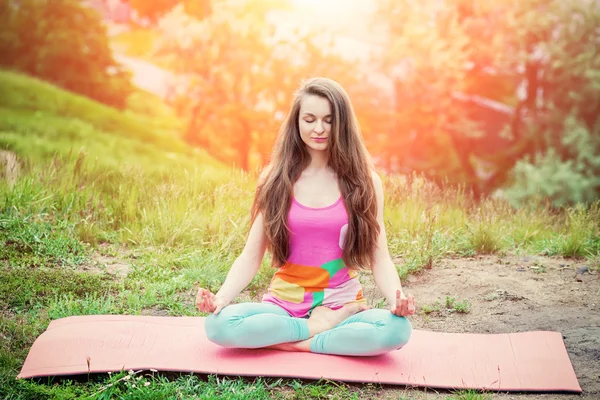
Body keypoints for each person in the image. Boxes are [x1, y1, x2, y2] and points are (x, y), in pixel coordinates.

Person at [196, 77, 416, 357]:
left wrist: (396, 298)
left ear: (342, 124)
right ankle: (316, 332)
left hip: (343, 307)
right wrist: (222, 298)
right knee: (219, 326)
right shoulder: (275, 179)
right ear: (297, 122)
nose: (319, 129)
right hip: (283, 307)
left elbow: (380, 257)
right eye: (310, 119)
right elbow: (251, 256)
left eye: (329, 120)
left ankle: (293, 339)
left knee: (396, 331)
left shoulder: (365, 182)